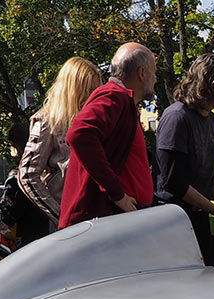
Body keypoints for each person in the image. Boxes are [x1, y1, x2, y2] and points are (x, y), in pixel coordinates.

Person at [154, 53, 214, 267]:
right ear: (210, 84)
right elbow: (175, 183)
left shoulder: (213, 120)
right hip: (172, 222)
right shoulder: (176, 118)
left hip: (200, 219)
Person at [60, 42, 156, 229]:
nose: (156, 79)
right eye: (154, 71)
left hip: (113, 221)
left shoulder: (123, 100)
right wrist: (117, 194)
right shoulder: (114, 96)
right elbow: (79, 134)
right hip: (101, 224)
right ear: (142, 73)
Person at [19, 57, 103, 244]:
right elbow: (27, 174)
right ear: (72, 90)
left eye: (95, 91)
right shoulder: (47, 120)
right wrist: (59, 214)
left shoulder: (94, 119)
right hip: (67, 223)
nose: (92, 97)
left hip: (95, 215)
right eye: (88, 91)